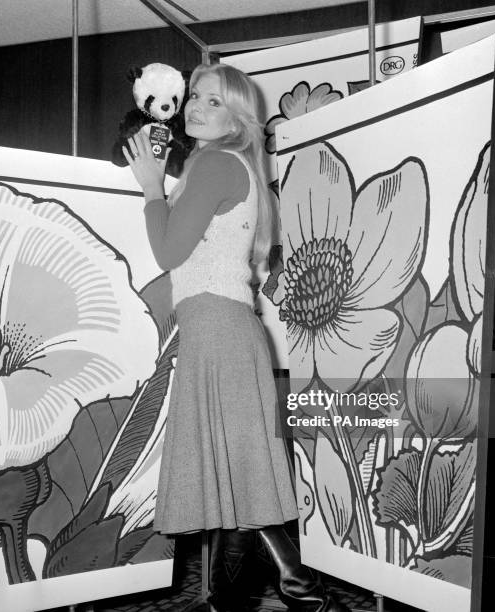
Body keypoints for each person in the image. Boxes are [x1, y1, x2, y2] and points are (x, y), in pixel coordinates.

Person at [123, 62, 350, 612]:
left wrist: (152, 188)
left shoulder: (216, 163)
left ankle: (299, 590)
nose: (197, 107)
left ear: (237, 117)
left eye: (214, 102)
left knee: (241, 468)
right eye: (195, 97)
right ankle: (239, 595)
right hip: (222, 329)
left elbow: (170, 252)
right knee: (237, 468)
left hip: (219, 330)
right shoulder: (228, 165)